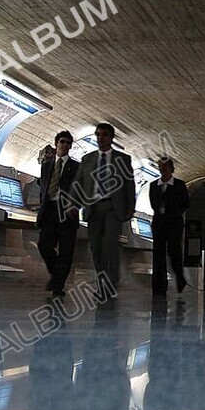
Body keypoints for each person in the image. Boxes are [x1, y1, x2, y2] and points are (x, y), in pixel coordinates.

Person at [70, 123, 135, 295]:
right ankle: (102, 283)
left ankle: (109, 286)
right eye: (98, 134)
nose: (100, 137)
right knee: (96, 248)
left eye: (104, 134)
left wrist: (130, 209)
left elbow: (129, 185)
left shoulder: (123, 159)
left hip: (113, 209)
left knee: (110, 246)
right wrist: (73, 204)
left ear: (111, 138)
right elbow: (78, 184)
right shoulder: (88, 159)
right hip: (93, 209)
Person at [36, 131, 80, 297]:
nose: (65, 145)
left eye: (68, 143)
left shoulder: (77, 167)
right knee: (44, 245)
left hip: (67, 212)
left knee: (66, 250)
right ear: (56, 143)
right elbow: (44, 189)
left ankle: (57, 287)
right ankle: (56, 277)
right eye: (62, 142)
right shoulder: (46, 166)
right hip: (50, 210)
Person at [149, 157, 189, 295]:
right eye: (160, 167)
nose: (162, 170)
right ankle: (158, 286)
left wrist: (173, 211)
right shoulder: (154, 185)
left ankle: (179, 277)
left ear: (171, 169)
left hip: (174, 224)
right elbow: (153, 203)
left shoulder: (179, 185)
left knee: (174, 251)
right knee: (158, 254)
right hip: (159, 223)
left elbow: (185, 203)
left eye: (165, 167)